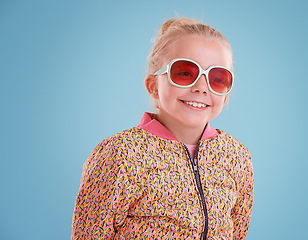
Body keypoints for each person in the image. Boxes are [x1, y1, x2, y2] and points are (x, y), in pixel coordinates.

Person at [72, 17, 254, 240]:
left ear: (225, 95)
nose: (201, 87)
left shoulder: (237, 157)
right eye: (185, 73)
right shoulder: (119, 155)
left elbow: (237, 232)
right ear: (153, 86)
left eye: (217, 78)